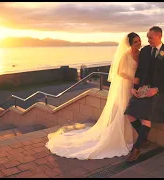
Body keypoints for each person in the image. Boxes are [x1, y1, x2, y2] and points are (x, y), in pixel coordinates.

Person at [45, 32, 142, 160]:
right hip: (126, 85)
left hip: (135, 86)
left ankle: (133, 136)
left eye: (139, 40)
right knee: (124, 110)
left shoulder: (141, 54)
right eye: (135, 42)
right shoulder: (125, 55)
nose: (139, 43)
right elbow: (119, 72)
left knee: (133, 111)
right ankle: (123, 137)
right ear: (130, 44)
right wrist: (132, 78)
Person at [124, 26, 164, 162]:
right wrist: (134, 87)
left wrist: (157, 89)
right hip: (143, 89)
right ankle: (145, 139)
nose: (147, 40)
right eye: (147, 37)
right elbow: (140, 71)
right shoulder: (145, 51)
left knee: (146, 118)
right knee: (129, 113)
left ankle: (136, 149)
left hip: (158, 91)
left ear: (159, 36)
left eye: (150, 38)